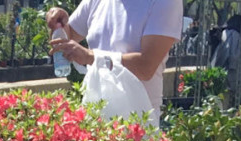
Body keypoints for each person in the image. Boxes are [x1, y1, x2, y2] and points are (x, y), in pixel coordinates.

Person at [45, 0, 185, 125]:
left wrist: (91, 56)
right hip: (95, 119)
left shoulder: (166, 2)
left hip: (137, 127)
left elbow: (146, 67)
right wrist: (58, 24)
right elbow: (67, 36)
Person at [210, 13, 241, 105]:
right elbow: (233, 54)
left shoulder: (226, 32)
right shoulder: (235, 34)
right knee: (229, 89)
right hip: (228, 65)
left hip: (220, 63)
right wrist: (233, 65)